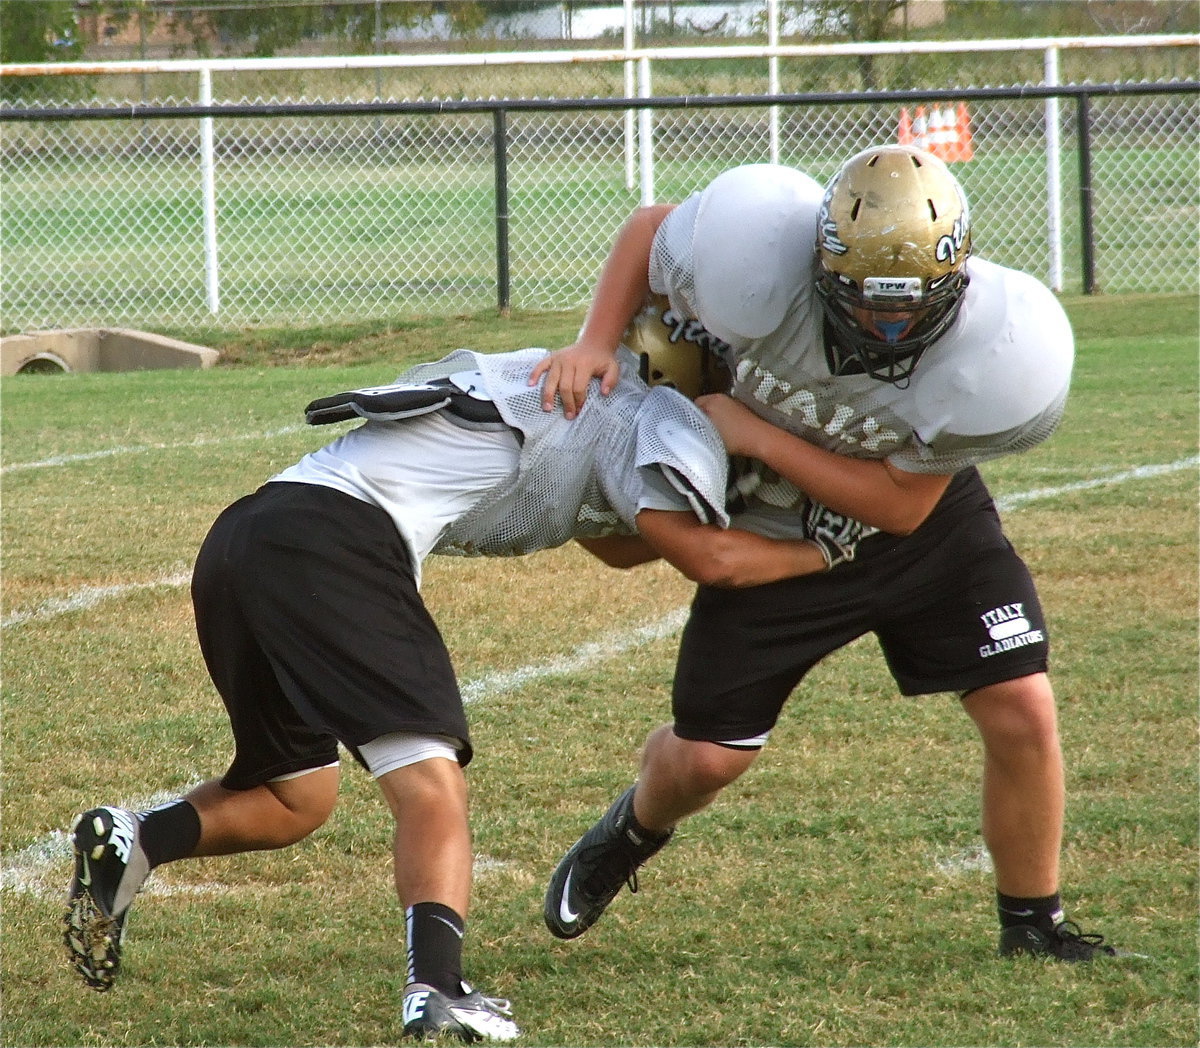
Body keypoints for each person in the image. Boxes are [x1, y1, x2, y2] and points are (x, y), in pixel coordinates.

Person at [62, 343, 838, 1042]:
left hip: (246, 536)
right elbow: (709, 560)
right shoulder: (638, 409)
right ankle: (438, 990)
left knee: (295, 796)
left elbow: (614, 545)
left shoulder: (555, 379)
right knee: (433, 789)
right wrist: (819, 553)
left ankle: (138, 840)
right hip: (335, 541)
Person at [535, 145, 1120, 962]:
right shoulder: (757, 257)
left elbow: (898, 504)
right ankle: (634, 827)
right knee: (705, 759)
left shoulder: (998, 348)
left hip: (920, 525)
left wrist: (757, 433)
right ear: (819, 263)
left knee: (1021, 705)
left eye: (913, 308)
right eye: (866, 304)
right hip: (772, 526)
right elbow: (650, 228)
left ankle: (1034, 924)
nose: (888, 327)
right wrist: (596, 340)